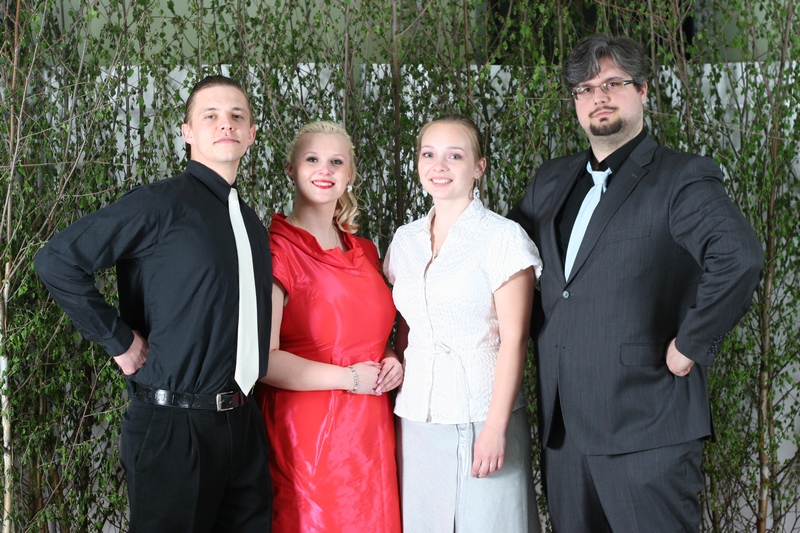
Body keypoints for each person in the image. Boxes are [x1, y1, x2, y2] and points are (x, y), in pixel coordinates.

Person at [508, 34, 764, 532]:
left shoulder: (682, 176)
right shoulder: (550, 181)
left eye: (612, 83)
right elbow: (504, 263)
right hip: (565, 436)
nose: (598, 97)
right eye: (585, 89)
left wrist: (690, 344)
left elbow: (739, 256)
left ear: (643, 90)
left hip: (648, 431)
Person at [34, 75, 273, 532]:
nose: (226, 124)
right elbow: (57, 261)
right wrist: (119, 341)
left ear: (251, 134)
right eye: (211, 115)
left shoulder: (250, 224)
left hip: (243, 426)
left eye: (236, 116)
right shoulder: (158, 204)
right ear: (187, 132)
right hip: (174, 428)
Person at [384, 115, 543, 532]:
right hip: (417, 415)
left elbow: (515, 338)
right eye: (429, 154)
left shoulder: (503, 238)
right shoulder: (405, 240)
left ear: (478, 167)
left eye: (454, 156)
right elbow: (404, 323)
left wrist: (495, 427)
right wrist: (391, 357)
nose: (439, 166)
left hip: (480, 413)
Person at [254, 120, 402, 533]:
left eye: (336, 161)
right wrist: (349, 378)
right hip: (309, 435)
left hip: (370, 428)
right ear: (291, 169)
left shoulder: (365, 250)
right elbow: (264, 361)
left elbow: (366, 332)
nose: (325, 169)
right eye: (312, 159)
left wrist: (389, 356)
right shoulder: (275, 251)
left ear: (349, 173)